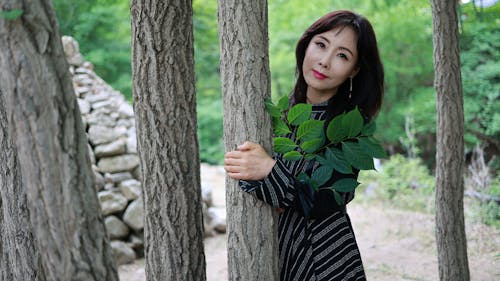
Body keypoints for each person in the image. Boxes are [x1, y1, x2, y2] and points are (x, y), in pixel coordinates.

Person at [224, 10, 384, 281]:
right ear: (306, 44)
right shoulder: (281, 113)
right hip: (277, 249)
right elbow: (249, 177)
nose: (324, 61)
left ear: (354, 69)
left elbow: (330, 199)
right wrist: (277, 185)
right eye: (321, 45)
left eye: (342, 55)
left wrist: (271, 171)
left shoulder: (351, 128)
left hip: (326, 259)